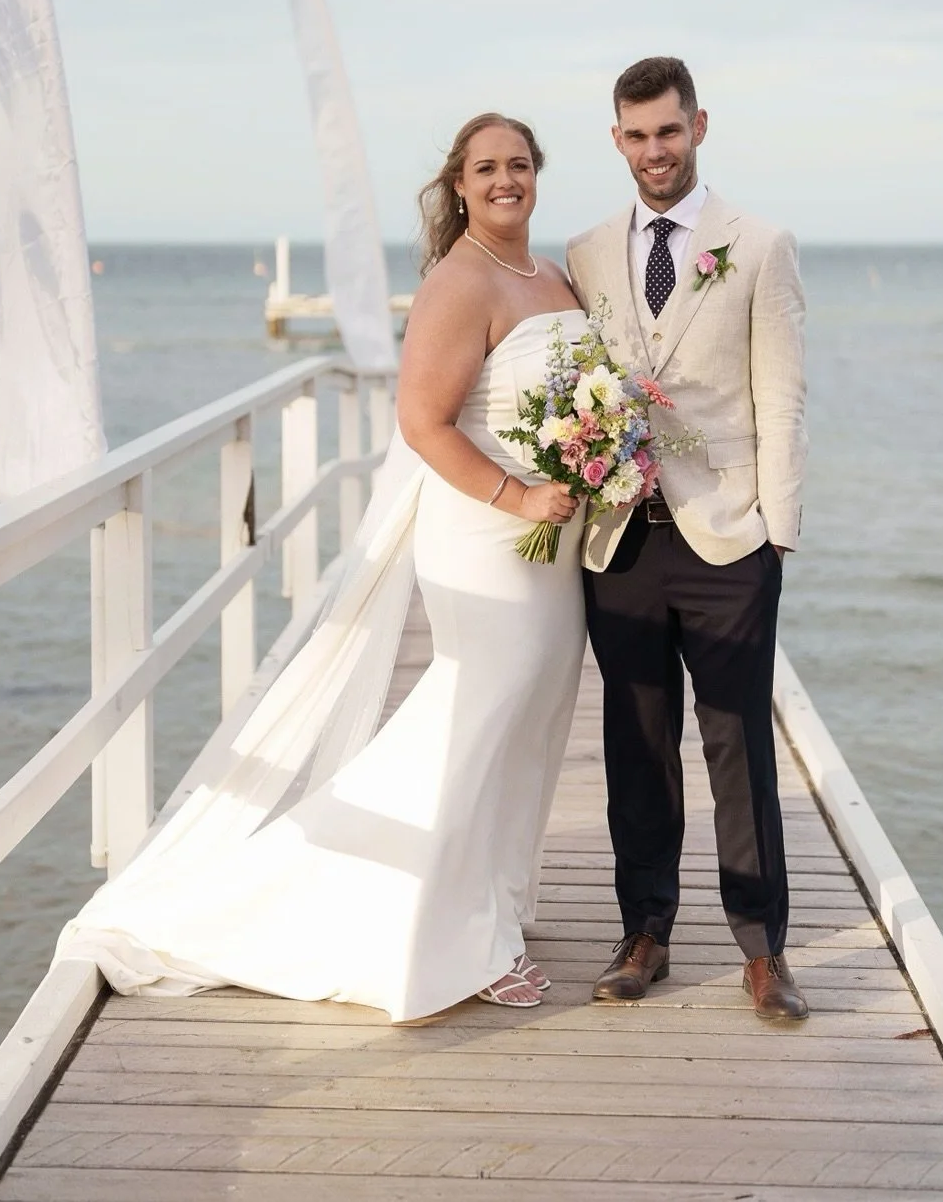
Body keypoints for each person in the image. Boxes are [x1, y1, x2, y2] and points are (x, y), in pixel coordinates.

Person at [56, 113, 587, 1016]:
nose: (506, 180)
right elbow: (422, 424)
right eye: (486, 168)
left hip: (556, 542)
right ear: (459, 186)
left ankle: (494, 899)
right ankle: (460, 933)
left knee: (529, 721)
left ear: (538, 173)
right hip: (489, 535)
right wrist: (519, 497)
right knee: (474, 721)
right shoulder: (459, 283)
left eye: (519, 164)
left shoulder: (552, 276)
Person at [566, 56, 810, 1019]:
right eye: (636, 135)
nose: (654, 151)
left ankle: (763, 949)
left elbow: (781, 395)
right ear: (617, 141)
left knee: (738, 746)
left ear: (698, 127)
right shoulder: (586, 252)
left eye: (668, 131)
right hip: (621, 540)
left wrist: (776, 534)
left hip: (727, 539)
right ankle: (645, 933)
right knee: (636, 745)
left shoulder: (760, 244)